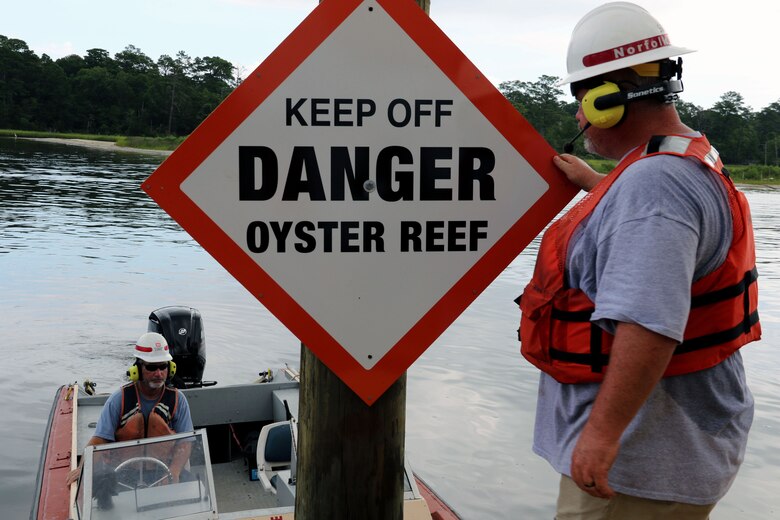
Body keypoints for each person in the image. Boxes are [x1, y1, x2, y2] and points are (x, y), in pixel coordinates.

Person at [517, 2, 761, 519]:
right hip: (668, 458)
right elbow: (654, 240)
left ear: (608, 98)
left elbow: (649, 322)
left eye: (579, 97)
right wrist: (599, 186)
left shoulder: (653, 188)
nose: (578, 114)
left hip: (636, 467)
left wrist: (602, 437)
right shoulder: (675, 162)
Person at [66, 332, 194, 486]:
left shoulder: (178, 400)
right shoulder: (118, 400)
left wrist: (174, 471)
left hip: (163, 471)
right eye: (152, 367)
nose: (159, 373)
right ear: (137, 370)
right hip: (123, 474)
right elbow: (99, 440)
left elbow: (185, 443)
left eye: (163, 366)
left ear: (170, 368)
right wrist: (84, 469)